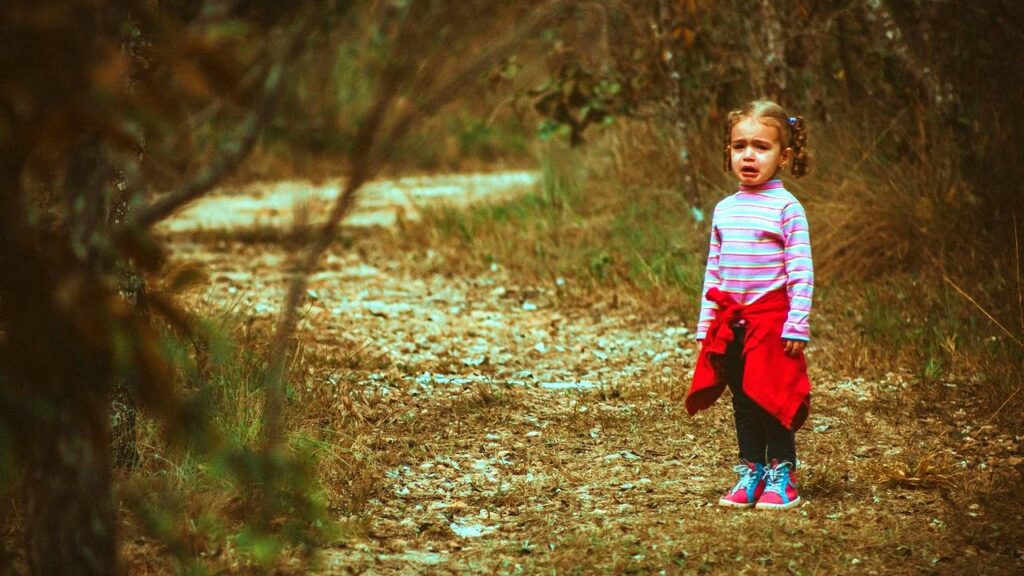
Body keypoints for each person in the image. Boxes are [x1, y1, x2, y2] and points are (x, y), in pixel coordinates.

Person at [685, 100, 813, 511]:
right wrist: (707, 325)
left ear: (784, 156)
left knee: (771, 394)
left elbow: (800, 271)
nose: (749, 155)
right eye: (740, 146)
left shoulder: (786, 209)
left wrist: (797, 323)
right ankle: (751, 468)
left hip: (772, 320)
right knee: (742, 396)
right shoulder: (725, 210)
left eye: (761, 147)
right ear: (728, 153)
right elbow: (715, 274)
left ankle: (782, 473)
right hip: (733, 322)